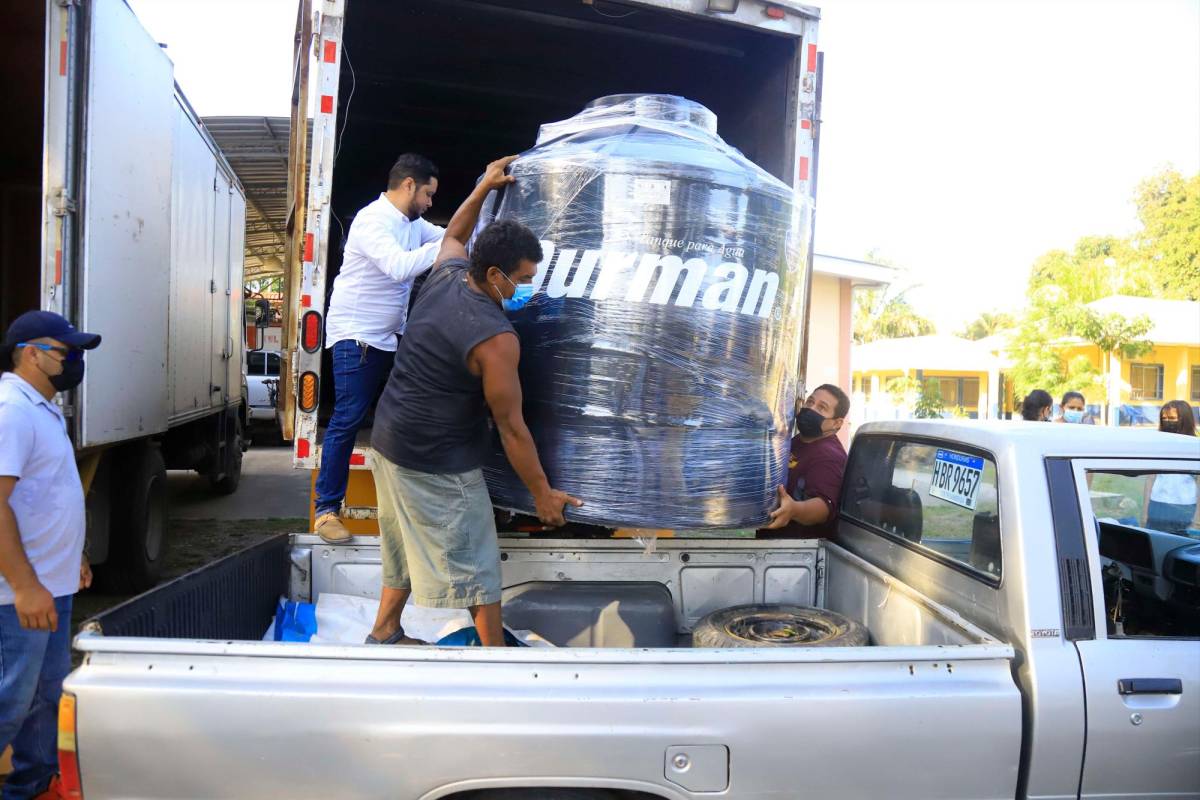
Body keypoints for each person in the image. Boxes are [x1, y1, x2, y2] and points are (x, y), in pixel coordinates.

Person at [366, 155, 582, 647]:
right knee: (475, 557)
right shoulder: (496, 338)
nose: (527, 288)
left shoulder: (447, 274)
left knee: (401, 542)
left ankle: (383, 632)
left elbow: (454, 235)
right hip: (434, 458)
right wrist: (543, 495)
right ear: (494, 273)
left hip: (389, 439)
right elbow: (511, 427)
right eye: (522, 279)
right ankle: (496, 662)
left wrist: (484, 185)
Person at [315, 154, 445, 544]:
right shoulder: (372, 221)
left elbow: (446, 235)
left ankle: (415, 503)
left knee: (411, 413)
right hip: (357, 338)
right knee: (348, 420)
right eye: (427, 194)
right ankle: (326, 510)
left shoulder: (411, 223)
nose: (430, 203)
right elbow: (399, 267)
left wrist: (467, 231)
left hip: (389, 337)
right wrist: (448, 248)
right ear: (408, 185)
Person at [0, 311, 100, 799]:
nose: (74, 361)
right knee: (10, 702)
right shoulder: (11, 410)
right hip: (18, 596)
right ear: (31, 353)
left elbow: (48, 494)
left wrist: (72, 555)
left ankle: (31, 787)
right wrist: (23, 585)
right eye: (66, 352)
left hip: (51, 585)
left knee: (43, 698)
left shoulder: (43, 407)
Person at [762, 384, 850, 537]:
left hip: (796, 551)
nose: (811, 409)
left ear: (837, 423)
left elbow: (824, 506)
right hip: (770, 543)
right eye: (810, 402)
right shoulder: (797, 441)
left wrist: (794, 510)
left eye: (822, 408)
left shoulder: (830, 456)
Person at [1143, 400, 1199, 535]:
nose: (1168, 421)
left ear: (1185, 419)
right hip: (1157, 505)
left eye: (1172, 418)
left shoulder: (1195, 447)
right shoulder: (1158, 446)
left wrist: (1197, 520)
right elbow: (1151, 479)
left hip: (1184, 509)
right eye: (1164, 418)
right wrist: (1145, 512)